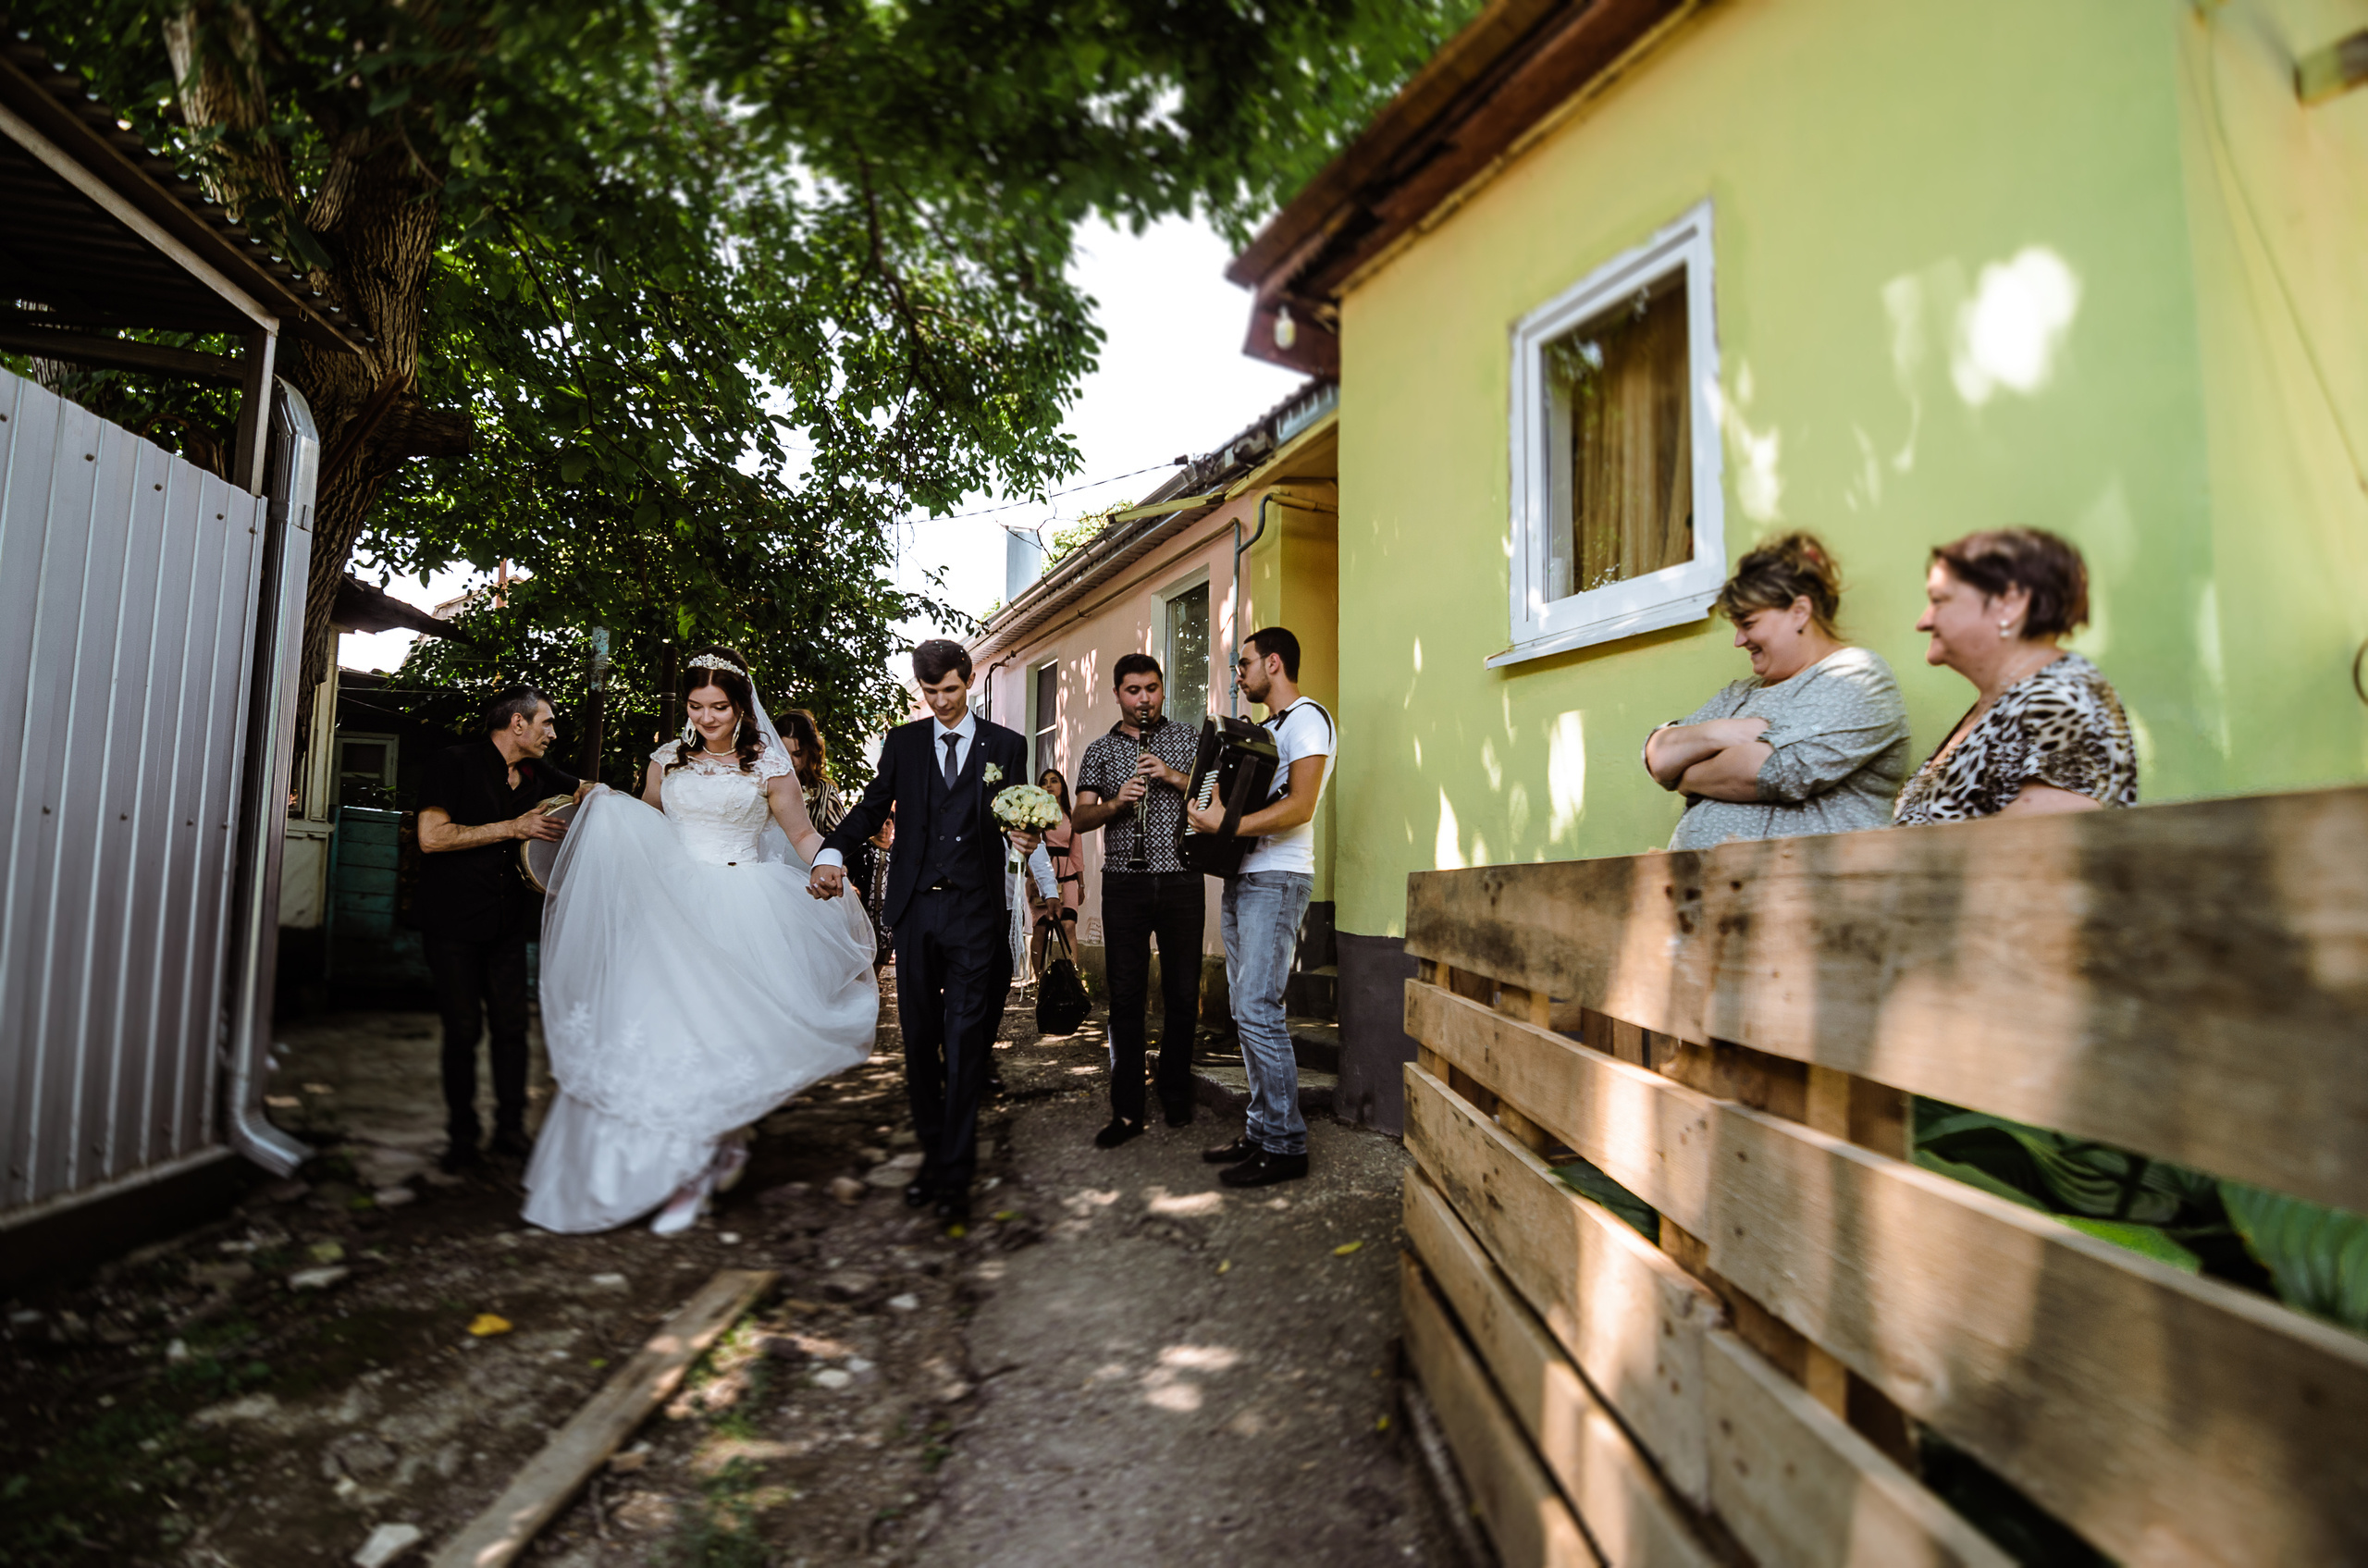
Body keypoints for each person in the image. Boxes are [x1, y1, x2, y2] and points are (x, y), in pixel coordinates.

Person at [521, 647, 879, 1235]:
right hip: (674, 906)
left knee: (723, 1035)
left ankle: (710, 1155)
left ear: (741, 708)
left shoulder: (769, 768)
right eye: (696, 706)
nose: (707, 717)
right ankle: (642, 1168)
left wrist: (830, 866)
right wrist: (609, 812)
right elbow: (650, 828)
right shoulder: (666, 759)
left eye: (718, 707)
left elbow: (804, 834)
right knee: (657, 1035)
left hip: (744, 903)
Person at [808, 640, 1038, 1225]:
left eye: (951, 691)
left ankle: (955, 1175)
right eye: (930, 693)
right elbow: (869, 808)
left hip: (976, 912)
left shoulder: (1007, 747)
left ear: (970, 681)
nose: (940, 702)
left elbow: (1021, 814)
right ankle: (934, 1159)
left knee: (964, 1044)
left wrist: (1027, 838)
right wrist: (831, 850)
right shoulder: (904, 744)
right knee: (918, 1046)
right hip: (914, 913)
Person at [413, 687, 588, 1174]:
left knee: (512, 1030)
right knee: (463, 1030)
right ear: (517, 724)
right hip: (452, 922)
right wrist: (513, 828)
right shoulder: (454, 763)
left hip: (509, 924)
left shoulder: (537, 773)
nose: (553, 733)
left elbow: (589, 792)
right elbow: (432, 838)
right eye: (546, 724)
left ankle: (510, 1132)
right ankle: (462, 1139)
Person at [1642, 533, 1910, 848]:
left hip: (1806, 891)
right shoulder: (1740, 694)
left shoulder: (1856, 675)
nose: (1739, 641)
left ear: (1799, 611)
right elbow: (1657, 756)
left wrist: (1686, 778)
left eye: (1749, 623)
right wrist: (1721, 733)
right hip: (1701, 889)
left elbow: (1772, 771)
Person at [1188, 627, 1334, 1189]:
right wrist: (1198, 802)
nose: (1237, 674)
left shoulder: (1308, 719)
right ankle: (1260, 1130)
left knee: (1258, 1008)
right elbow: (1230, 794)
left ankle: (1286, 1144)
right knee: (1245, 1011)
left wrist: (1225, 824)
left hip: (1279, 878)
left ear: (1273, 663)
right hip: (1243, 874)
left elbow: (1300, 806)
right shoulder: (1263, 729)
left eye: (1243, 663)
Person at [1894, 527, 2136, 823]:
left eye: (1939, 600)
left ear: (2010, 604)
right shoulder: (2009, 699)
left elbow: (2044, 849)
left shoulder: (2059, 698)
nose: (1924, 621)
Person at [1070, 653, 1207, 1147]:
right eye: (1133, 690)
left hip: (1182, 882)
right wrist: (1114, 803)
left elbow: (1214, 797)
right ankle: (1126, 1110)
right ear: (1117, 694)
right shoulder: (1100, 750)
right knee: (1125, 998)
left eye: (1152, 689)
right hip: (1124, 886)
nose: (1144, 699)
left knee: (1181, 993)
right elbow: (1078, 820)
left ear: (1162, 690)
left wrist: (1171, 775)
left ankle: (1174, 1092)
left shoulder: (1189, 739)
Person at [1028, 767, 1082, 980]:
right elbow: (1029, 847)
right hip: (1040, 875)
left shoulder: (1070, 815)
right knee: (1041, 930)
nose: (1049, 785)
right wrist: (1032, 877)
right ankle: (1039, 980)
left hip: (1068, 875)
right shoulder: (1034, 813)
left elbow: (1077, 851)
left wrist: (1081, 883)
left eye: (1054, 781)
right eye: (1044, 782)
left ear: (1062, 786)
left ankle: (1074, 980)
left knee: (1069, 926)